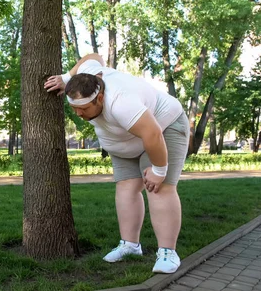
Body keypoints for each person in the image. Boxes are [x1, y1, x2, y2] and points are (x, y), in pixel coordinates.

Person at [44, 53, 190, 274]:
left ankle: (168, 252)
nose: (78, 113)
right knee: (126, 188)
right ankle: (130, 246)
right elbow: (93, 57)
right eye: (74, 107)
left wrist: (160, 170)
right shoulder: (88, 76)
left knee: (158, 187)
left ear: (100, 98)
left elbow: (153, 134)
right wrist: (66, 77)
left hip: (163, 127)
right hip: (124, 142)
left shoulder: (121, 102)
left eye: (83, 108)